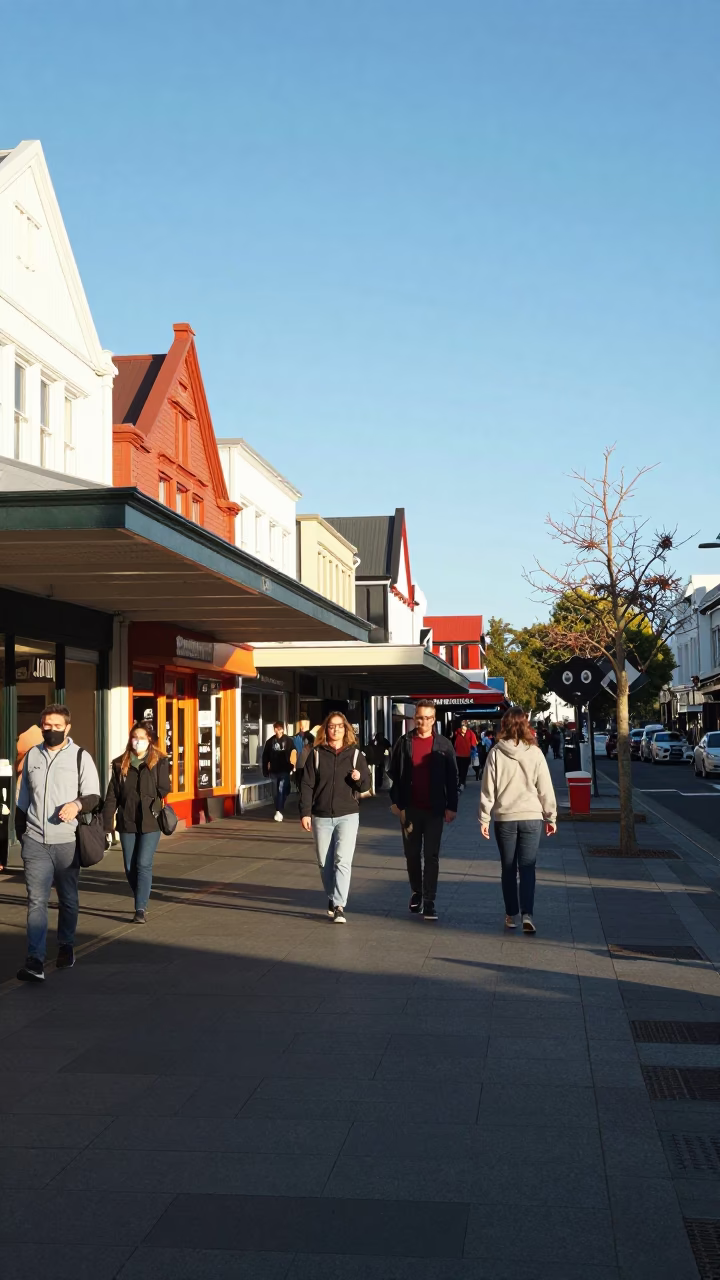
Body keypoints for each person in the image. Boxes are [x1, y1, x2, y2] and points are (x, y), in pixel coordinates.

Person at [14, 703, 100, 981]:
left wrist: (76, 804)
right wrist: (23, 836)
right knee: (36, 901)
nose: (51, 730)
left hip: (67, 842)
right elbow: (22, 801)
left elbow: (93, 796)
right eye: (46, 726)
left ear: (68, 728)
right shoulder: (31, 757)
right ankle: (35, 960)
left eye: (57, 726)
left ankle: (65, 944)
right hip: (35, 841)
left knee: (68, 899)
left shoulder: (80, 757)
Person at [479, 707, 557, 935]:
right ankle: (528, 914)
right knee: (528, 867)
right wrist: (550, 816)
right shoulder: (535, 753)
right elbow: (546, 789)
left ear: (504, 725)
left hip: (505, 818)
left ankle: (510, 914)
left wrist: (484, 817)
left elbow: (487, 790)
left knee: (508, 868)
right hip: (531, 816)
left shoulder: (495, 753)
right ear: (526, 725)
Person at [389, 699, 458, 921]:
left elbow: (452, 777)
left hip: (435, 809)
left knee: (431, 856)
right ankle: (417, 892)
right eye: (420, 717)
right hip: (409, 808)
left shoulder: (444, 744)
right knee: (411, 854)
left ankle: (429, 900)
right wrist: (395, 802)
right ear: (414, 717)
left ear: (434, 719)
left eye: (428, 718)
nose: (423, 722)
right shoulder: (404, 742)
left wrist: (452, 806)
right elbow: (395, 773)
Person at [300, 711, 370, 923]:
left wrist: (358, 778)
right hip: (321, 815)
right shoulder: (317, 754)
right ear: (326, 729)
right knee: (324, 861)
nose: (336, 729)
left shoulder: (355, 755)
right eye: (332, 726)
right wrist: (305, 812)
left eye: (340, 726)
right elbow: (307, 784)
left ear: (346, 729)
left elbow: (366, 785)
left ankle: (339, 905)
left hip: (348, 814)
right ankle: (332, 896)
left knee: (342, 860)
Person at [102, 721, 171, 923]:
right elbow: (112, 795)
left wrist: (150, 783)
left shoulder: (159, 761)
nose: (137, 741)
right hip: (127, 820)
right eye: (134, 737)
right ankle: (141, 894)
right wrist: (108, 822)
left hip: (151, 820)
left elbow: (164, 789)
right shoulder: (119, 763)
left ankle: (140, 908)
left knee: (143, 864)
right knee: (130, 867)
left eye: (141, 738)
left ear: (149, 739)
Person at [262, 722, 297, 822]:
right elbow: (265, 756)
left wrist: (292, 765)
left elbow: (293, 753)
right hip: (274, 770)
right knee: (276, 791)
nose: (277, 730)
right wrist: (265, 769)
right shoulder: (270, 742)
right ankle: (278, 809)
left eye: (279, 728)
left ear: (282, 729)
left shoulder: (289, 741)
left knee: (284, 789)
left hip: (285, 769)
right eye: (275, 728)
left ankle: (280, 806)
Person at [453, 720, 478, 793]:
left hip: (466, 755)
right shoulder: (457, 733)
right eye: (462, 728)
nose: (462, 730)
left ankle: (462, 783)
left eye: (464, 728)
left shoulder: (470, 733)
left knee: (463, 770)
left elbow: (474, 744)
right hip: (459, 755)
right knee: (460, 770)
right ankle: (461, 782)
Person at [292, 717, 315, 790]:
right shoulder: (296, 737)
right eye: (301, 724)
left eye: (304, 724)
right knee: (299, 782)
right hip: (300, 764)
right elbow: (295, 752)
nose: (302, 726)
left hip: (308, 763)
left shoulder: (310, 736)